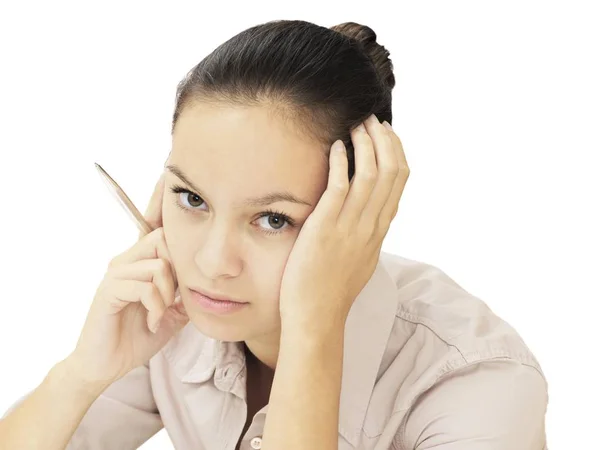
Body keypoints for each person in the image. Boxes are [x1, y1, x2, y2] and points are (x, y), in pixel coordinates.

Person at [0, 19, 548, 450]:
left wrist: (314, 327)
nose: (213, 263)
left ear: (359, 212)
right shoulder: (175, 317)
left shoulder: (477, 382)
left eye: (274, 219)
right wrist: (82, 373)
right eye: (192, 199)